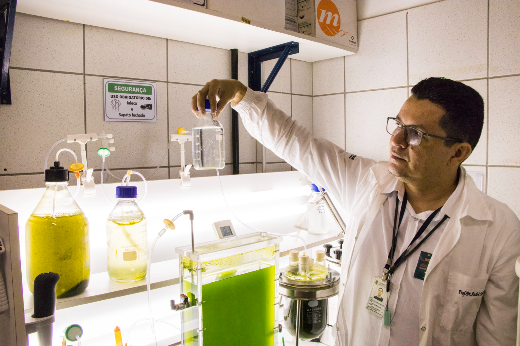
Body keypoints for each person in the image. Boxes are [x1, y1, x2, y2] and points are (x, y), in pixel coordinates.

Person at [191, 77, 520, 346]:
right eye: (398, 124)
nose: (396, 140)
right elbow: (294, 140)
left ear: (458, 152)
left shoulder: (498, 230)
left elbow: (498, 338)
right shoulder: (367, 183)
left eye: (416, 134)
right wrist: (240, 96)